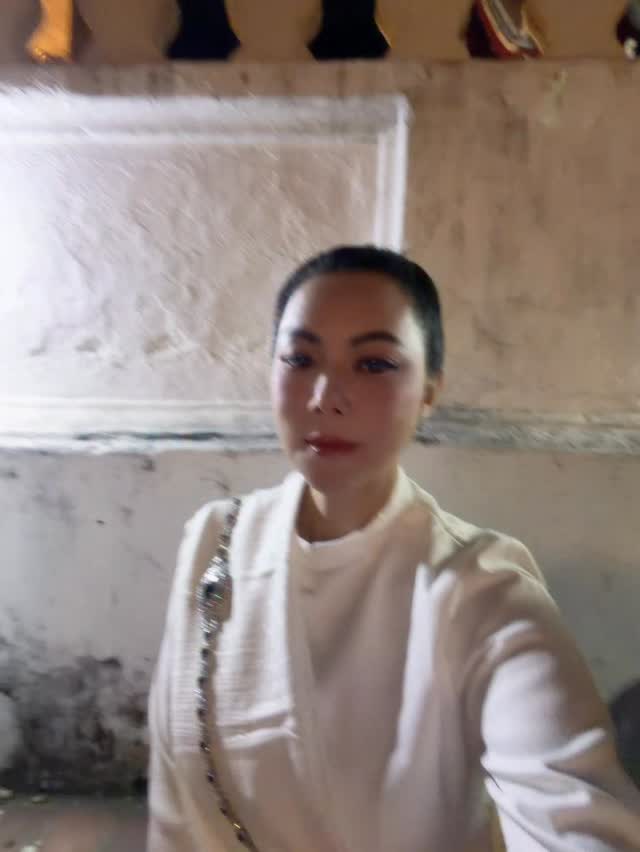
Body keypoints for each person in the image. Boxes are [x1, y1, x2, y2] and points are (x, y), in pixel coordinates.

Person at [147, 245, 640, 851]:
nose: (326, 395)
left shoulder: (480, 588)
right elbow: (175, 810)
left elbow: (563, 800)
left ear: (430, 390)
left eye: (374, 363)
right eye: (300, 359)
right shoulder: (216, 543)